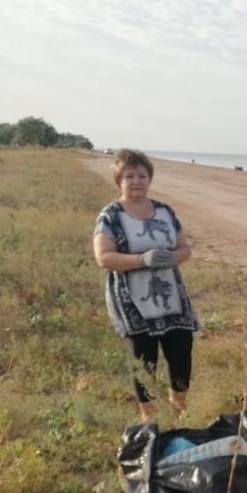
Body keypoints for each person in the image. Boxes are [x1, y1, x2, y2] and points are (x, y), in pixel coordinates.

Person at [93, 149, 198, 422]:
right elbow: (103, 257)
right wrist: (141, 259)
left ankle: (178, 411)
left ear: (149, 178)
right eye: (129, 176)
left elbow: (184, 248)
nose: (136, 181)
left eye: (141, 175)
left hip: (171, 297)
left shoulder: (164, 211)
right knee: (143, 360)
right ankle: (149, 420)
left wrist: (173, 257)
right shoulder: (111, 215)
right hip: (132, 300)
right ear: (119, 181)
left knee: (180, 352)